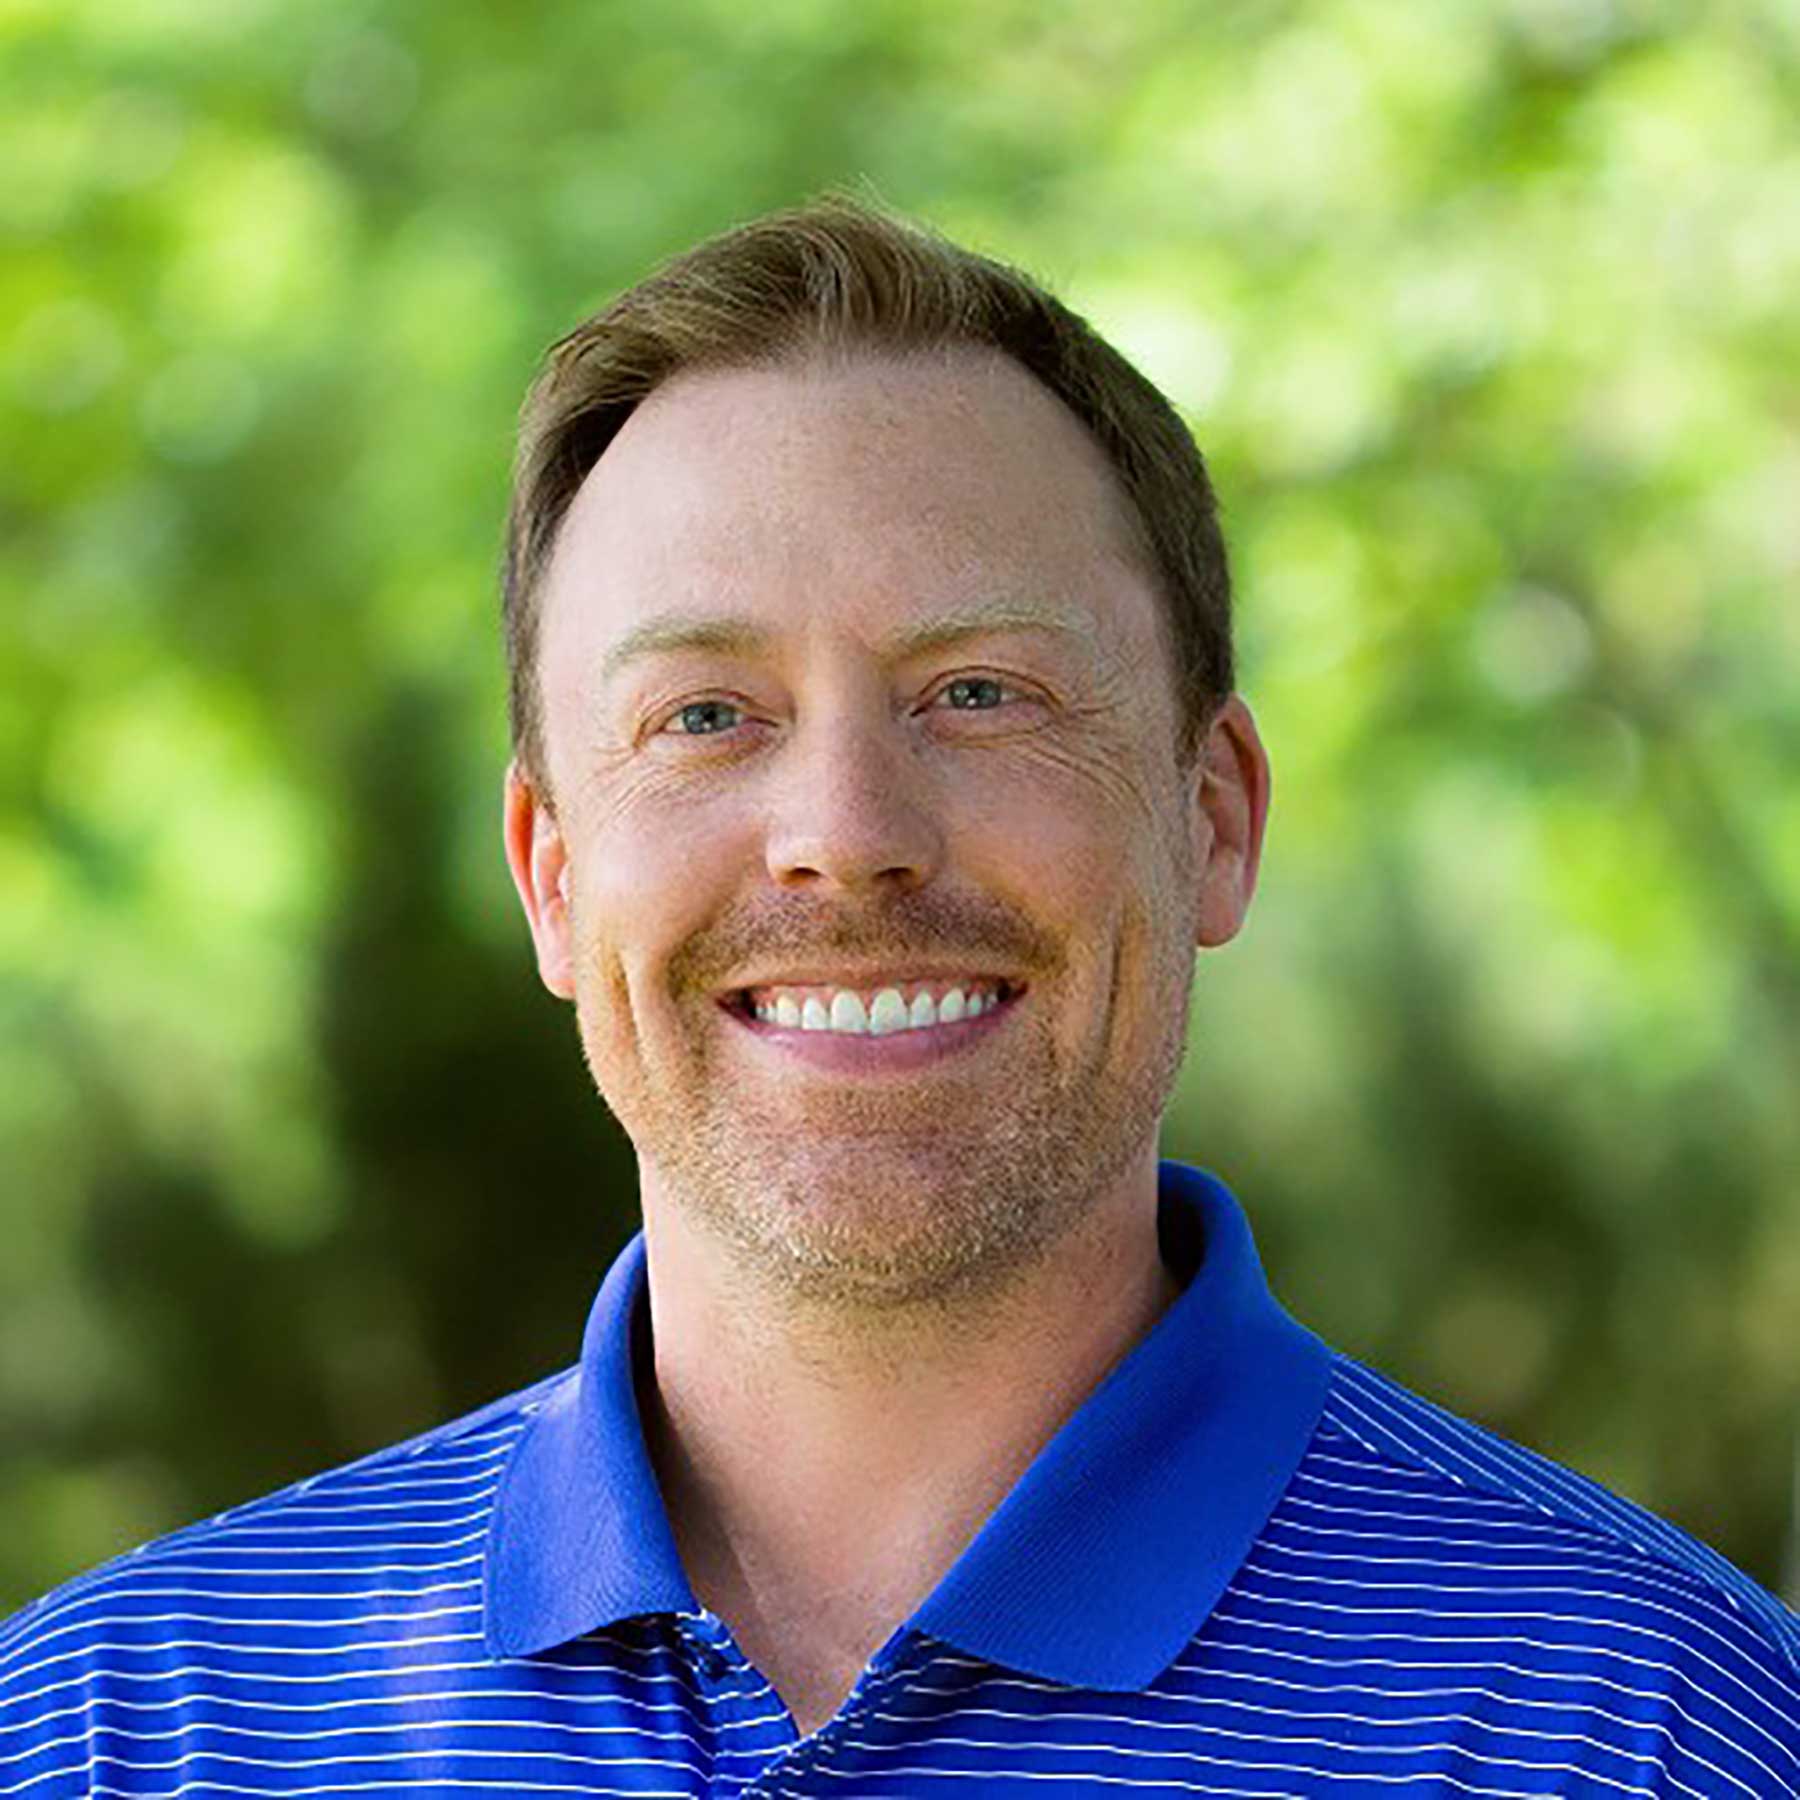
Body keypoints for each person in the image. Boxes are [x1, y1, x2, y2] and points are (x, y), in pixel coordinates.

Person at [3, 191, 1795, 1798]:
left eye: (982, 693)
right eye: (707, 714)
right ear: (551, 876)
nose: (846, 837)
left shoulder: (1658, 1726)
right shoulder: (114, 1730)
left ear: (1215, 820)